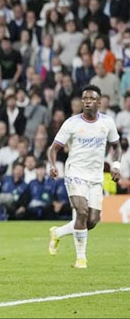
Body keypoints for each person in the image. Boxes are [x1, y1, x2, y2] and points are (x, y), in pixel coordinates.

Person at [47, 84, 121, 269]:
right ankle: (81, 259)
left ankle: (58, 232)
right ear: (82, 101)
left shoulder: (107, 122)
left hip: (96, 177)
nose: (87, 102)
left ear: (99, 102)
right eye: (85, 99)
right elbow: (53, 148)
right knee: (81, 212)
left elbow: (116, 146)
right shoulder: (72, 123)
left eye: (92, 99)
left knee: (92, 221)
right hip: (75, 173)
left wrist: (116, 165)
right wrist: (53, 165)